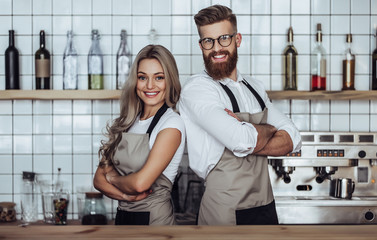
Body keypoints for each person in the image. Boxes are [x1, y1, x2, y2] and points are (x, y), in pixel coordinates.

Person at [178, 5, 302, 225]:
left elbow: (293, 138)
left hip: (266, 207)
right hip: (224, 211)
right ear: (201, 46)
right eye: (209, 41)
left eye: (224, 38)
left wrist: (248, 133)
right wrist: (269, 130)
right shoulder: (197, 89)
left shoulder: (254, 87)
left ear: (238, 39)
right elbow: (240, 140)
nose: (216, 48)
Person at [93, 44, 185, 225]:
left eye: (159, 77)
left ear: (170, 80)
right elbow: (97, 180)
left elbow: (141, 184)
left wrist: (112, 178)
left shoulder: (172, 124)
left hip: (155, 223)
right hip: (123, 219)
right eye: (143, 77)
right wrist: (125, 196)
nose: (150, 85)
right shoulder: (127, 122)